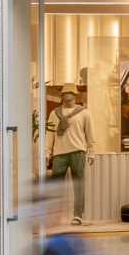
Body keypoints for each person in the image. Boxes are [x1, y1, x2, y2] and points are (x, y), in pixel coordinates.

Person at [47, 87, 89, 221]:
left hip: (78, 151)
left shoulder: (84, 113)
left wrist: (92, 152)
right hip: (59, 153)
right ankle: (54, 216)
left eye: (69, 92)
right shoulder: (54, 113)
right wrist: (47, 152)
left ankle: (78, 215)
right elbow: (50, 134)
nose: (67, 95)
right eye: (64, 93)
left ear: (75, 94)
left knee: (78, 184)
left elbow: (89, 134)